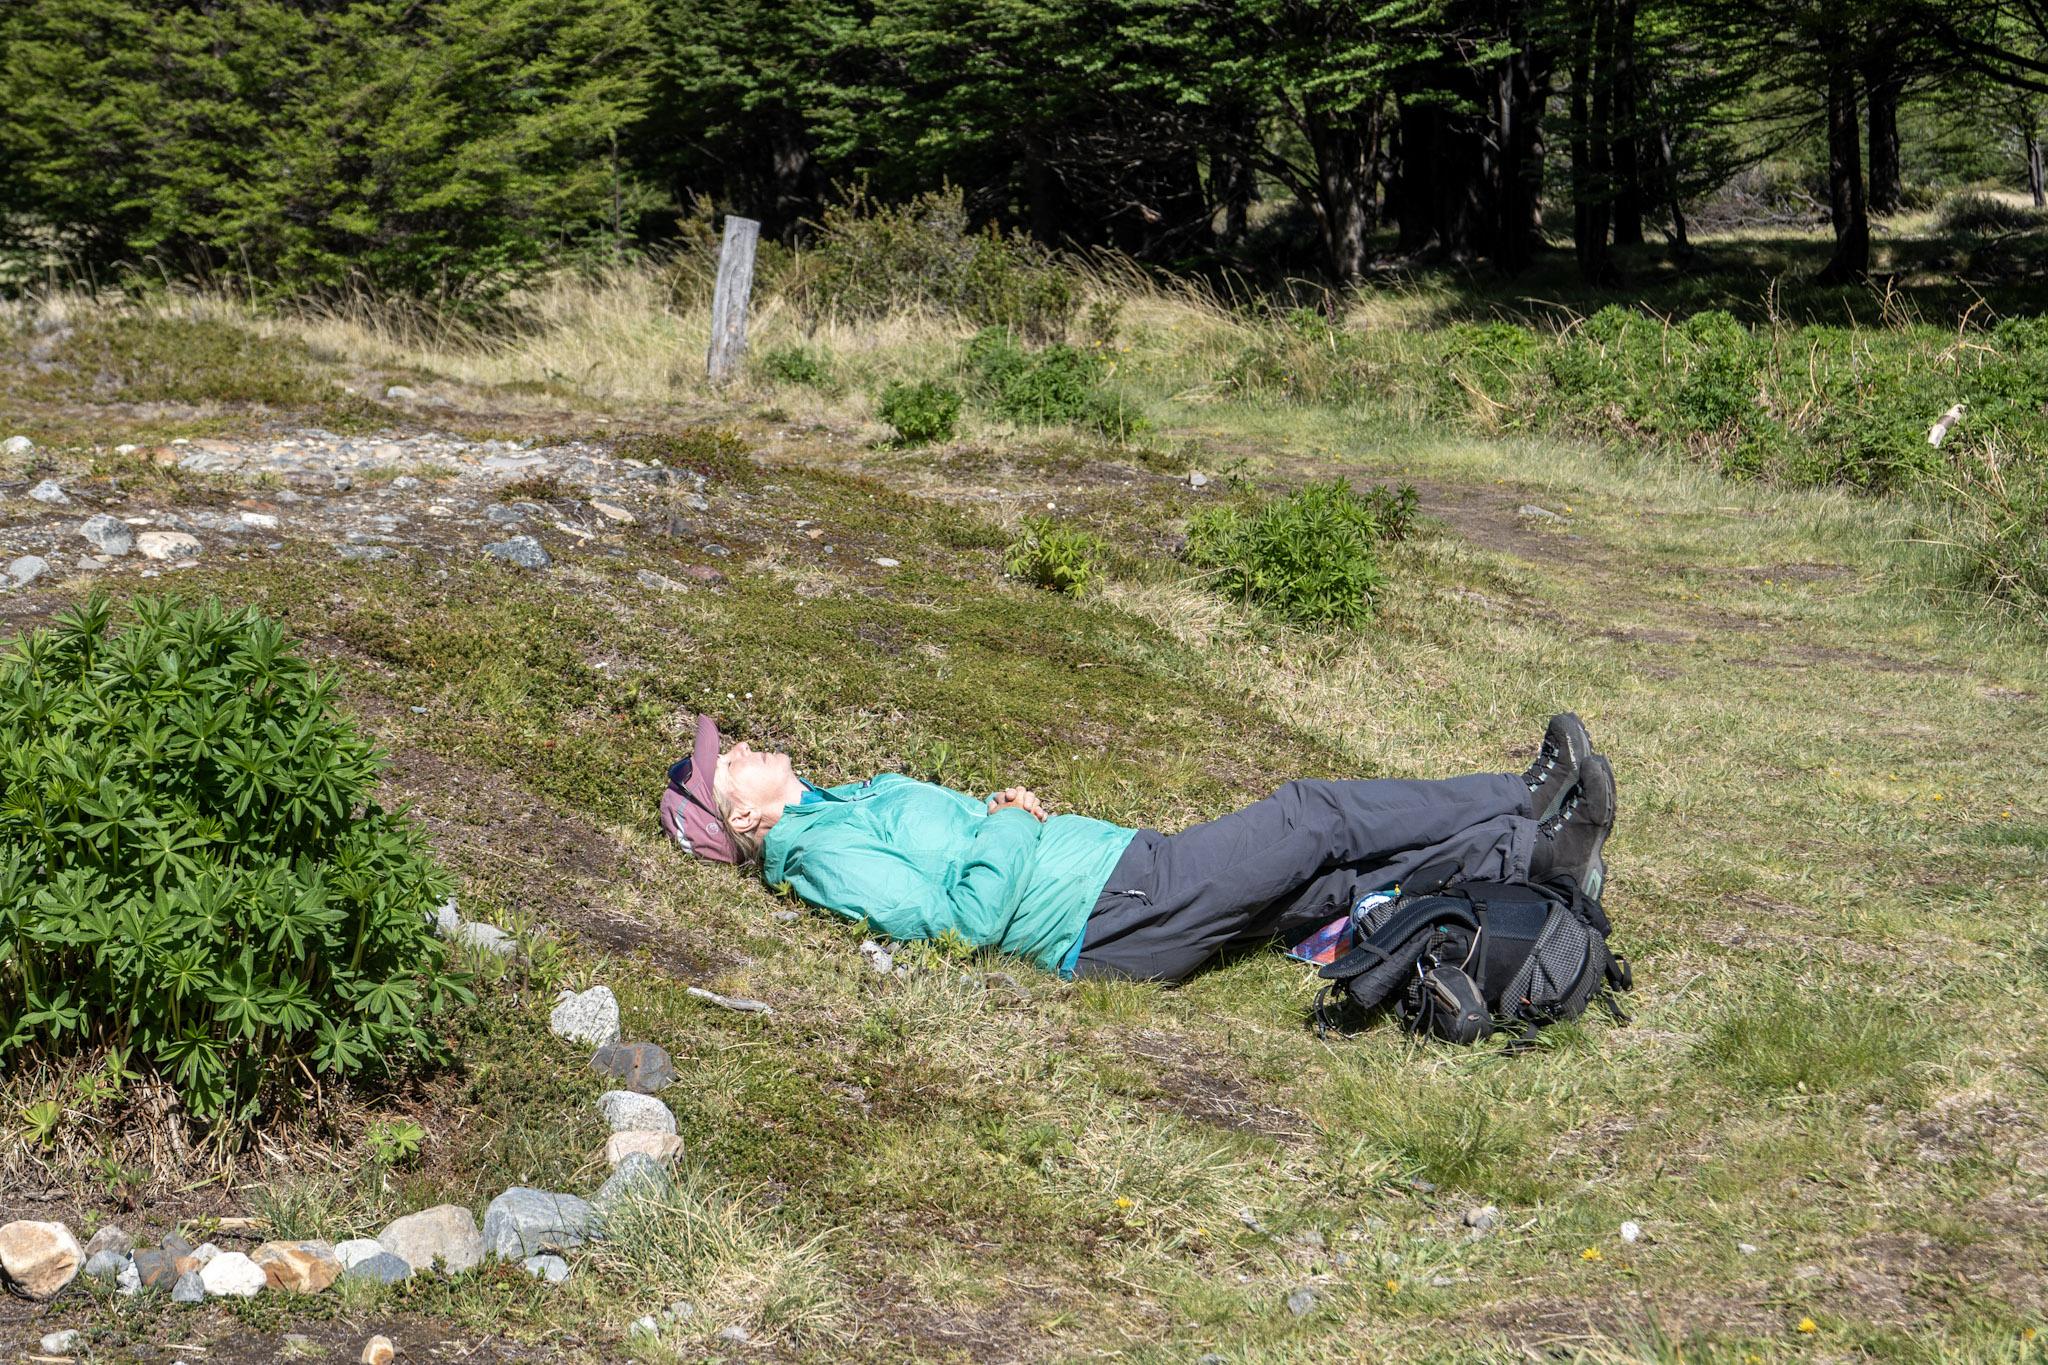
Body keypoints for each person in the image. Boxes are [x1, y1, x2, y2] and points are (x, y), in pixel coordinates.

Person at [658, 714, 1615, 983]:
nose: (737, 745)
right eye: (726, 762)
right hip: (1111, 907)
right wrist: (1010, 819)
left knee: (1333, 881)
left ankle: (1534, 857)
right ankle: (1519, 794)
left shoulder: (838, 805)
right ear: (742, 821)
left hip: (1117, 884)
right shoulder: (815, 856)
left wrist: (1004, 816)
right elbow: (960, 921)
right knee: (1312, 815)